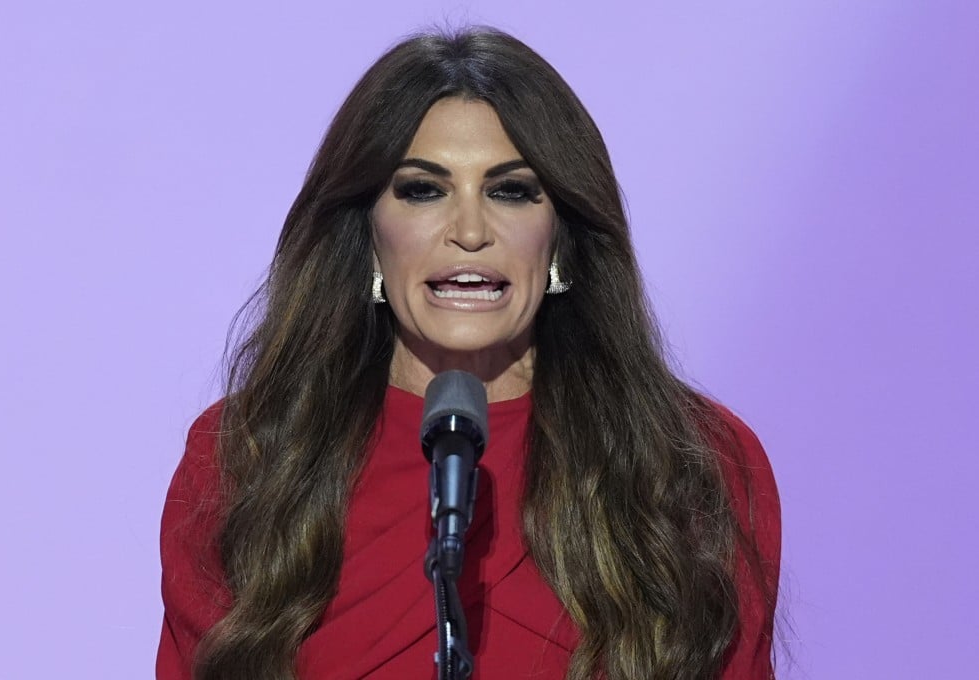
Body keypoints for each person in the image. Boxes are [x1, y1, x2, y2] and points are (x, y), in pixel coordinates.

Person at [157, 27, 781, 680]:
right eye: (424, 190)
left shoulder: (693, 463)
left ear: (561, 239)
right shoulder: (250, 457)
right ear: (367, 237)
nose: (471, 232)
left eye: (510, 191)